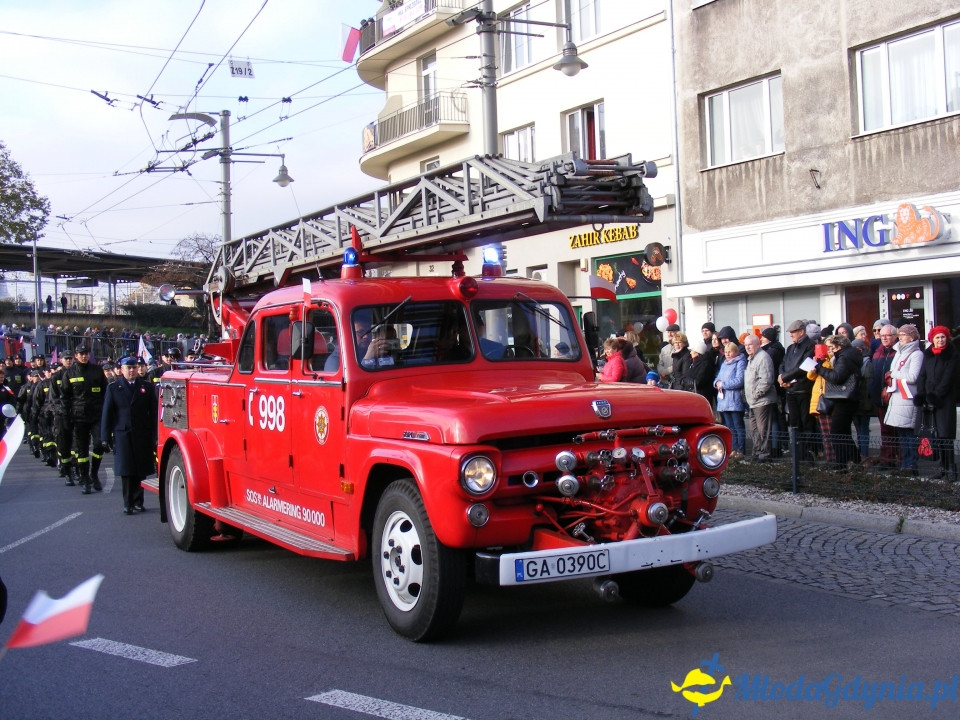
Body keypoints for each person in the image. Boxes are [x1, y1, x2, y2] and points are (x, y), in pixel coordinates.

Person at [101, 356, 158, 514]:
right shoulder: (113, 388)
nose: (132, 370)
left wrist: (155, 433)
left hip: (142, 433)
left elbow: (153, 412)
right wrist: (105, 437)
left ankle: (139, 501)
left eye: (134, 367)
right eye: (128, 368)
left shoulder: (146, 387)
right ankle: (128, 502)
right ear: (121, 370)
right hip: (123, 433)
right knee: (126, 469)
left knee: (140, 469)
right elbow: (107, 414)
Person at [60, 344, 108, 494]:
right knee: (81, 450)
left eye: (86, 353)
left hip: (96, 415)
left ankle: (94, 474)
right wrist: (66, 417)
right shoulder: (69, 373)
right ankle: (85, 478)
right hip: (78, 416)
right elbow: (64, 397)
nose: (84, 356)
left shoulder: (97, 370)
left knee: (99, 444)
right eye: (81, 354)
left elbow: (106, 393)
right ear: (76, 355)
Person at [914, 326, 957, 480]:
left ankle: (951, 468)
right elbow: (922, 376)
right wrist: (922, 395)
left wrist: (936, 396)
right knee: (935, 435)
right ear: (932, 339)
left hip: (944, 401)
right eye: (937, 338)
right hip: (928, 401)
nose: (940, 340)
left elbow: (948, 379)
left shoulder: (952, 355)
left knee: (945, 435)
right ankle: (942, 468)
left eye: (943, 337)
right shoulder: (928, 355)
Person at [812, 334, 862, 467]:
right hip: (849, 397)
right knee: (843, 432)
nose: (830, 350)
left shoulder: (844, 357)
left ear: (839, 346)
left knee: (837, 432)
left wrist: (820, 368)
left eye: (831, 347)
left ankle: (842, 463)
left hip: (844, 398)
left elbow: (837, 377)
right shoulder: (850, 355)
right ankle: (853, 461)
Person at [883, 325, 923, 476]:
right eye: (899, 334)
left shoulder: (916, 354)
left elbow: (912, 377)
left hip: (908, 398)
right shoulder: (898, 352)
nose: (900, 336)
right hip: (898, 397)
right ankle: (904, 464)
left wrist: (894, 374)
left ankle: (911, 465)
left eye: (904, 334)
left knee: (909, 435)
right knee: (901, 434)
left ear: (912, 337)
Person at [779, 319, 816, 459]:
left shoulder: (811, 346)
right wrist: (782, 377)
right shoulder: (790, 348)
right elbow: (783, 364)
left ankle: (807, 454)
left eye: (793, 332)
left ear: (801, 332)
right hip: (791, 390)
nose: (790, 335)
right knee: (794, 423)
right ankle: (798, 454)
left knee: (806, 423)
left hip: (803, 390)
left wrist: (785, 378)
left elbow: (804, 367)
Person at [743, 334, 777, 461]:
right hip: (752, 401)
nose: (747, 347)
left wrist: (756, 395)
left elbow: (766, 380)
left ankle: (764, 454)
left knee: (763, 430)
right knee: (754, 430)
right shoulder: (751, 358)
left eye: (750, 344)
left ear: (758, 344)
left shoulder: (763, 357)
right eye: (745, 345)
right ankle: (757, 452)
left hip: (762, 401)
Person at [715, 341, 746, 458]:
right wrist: (716, 383)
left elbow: (739, 380)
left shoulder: (740, 363)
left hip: (734, 398)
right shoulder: (724, 363)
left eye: (730, 352)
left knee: (738, 425)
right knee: (729, 426)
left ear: (736, 352)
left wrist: (723, 384)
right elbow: (717, 378)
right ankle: (733, 448)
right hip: (723, 400)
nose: (727, 354)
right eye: (726, 352)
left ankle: (741, 449)